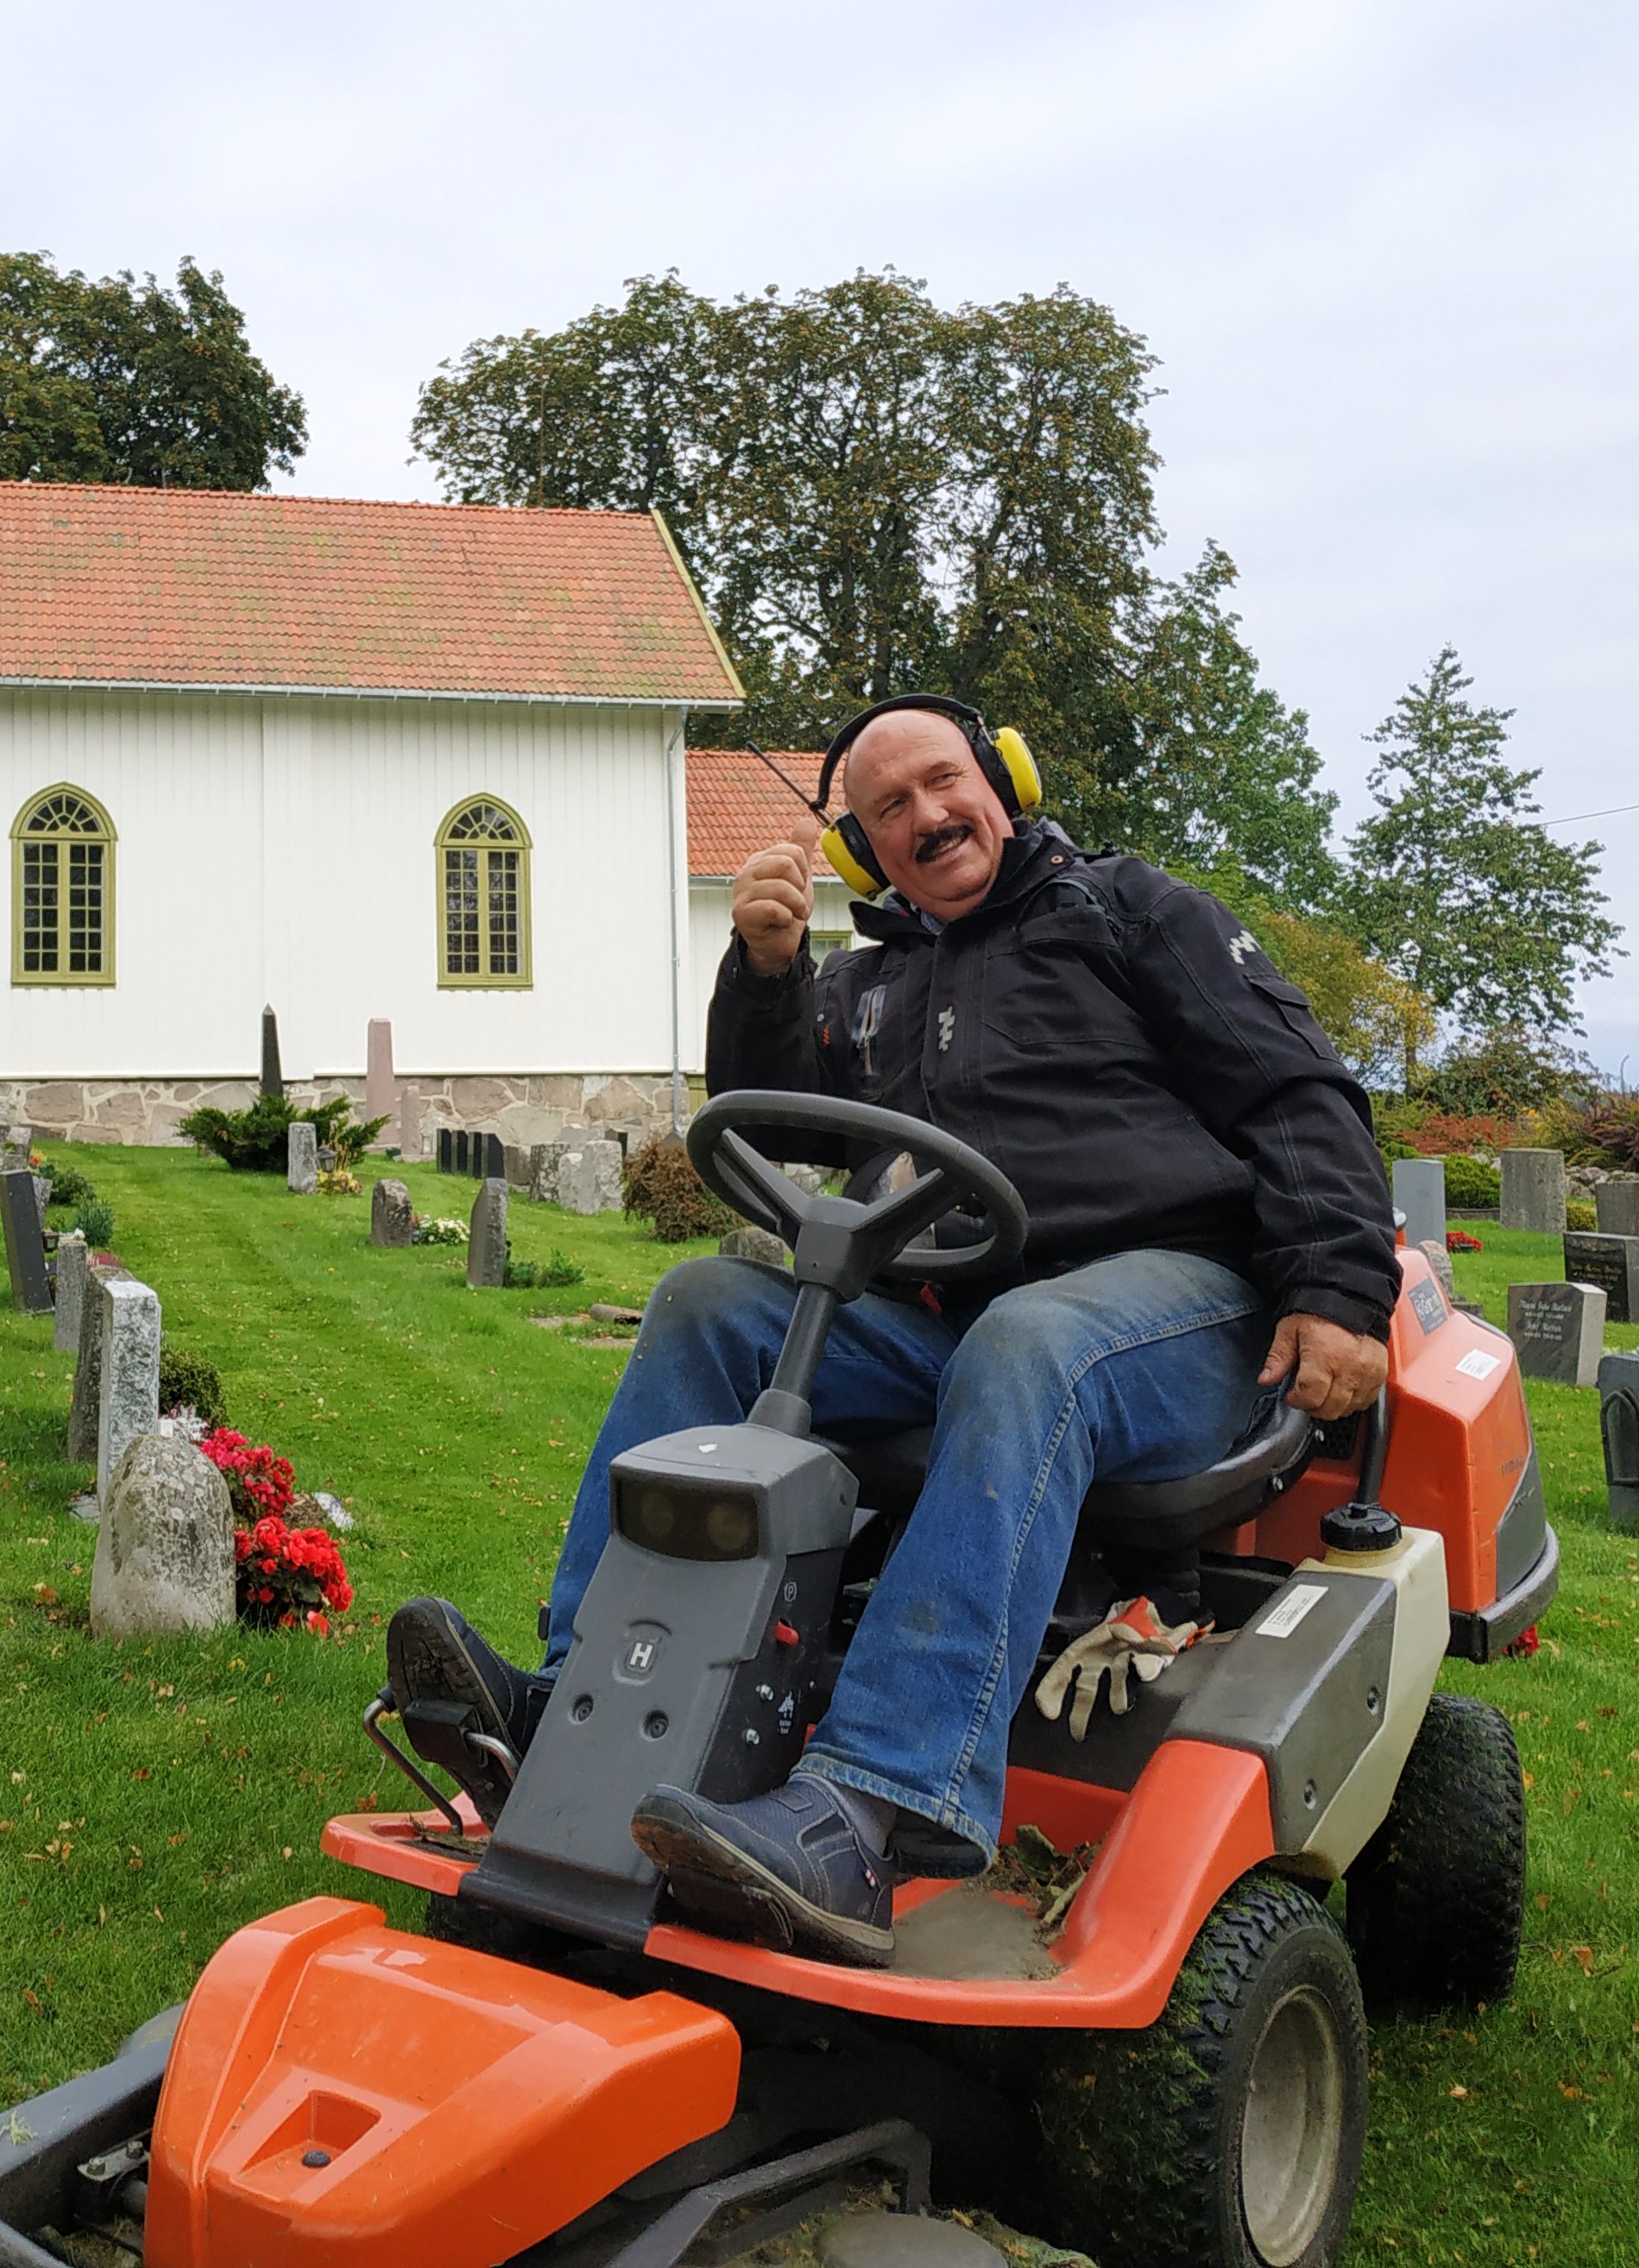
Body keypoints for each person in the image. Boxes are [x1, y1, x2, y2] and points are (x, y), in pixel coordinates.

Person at [387, 696, 1401, 1966]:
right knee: (710, 1302)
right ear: (863, 849)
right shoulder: (871, 979)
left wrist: (1339, 1290)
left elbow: (1296, 1088)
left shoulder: (1137, 915)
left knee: (1031, 1342)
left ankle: (874, 1803)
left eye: (943, 784)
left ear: (1004, 778)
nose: (926, 817)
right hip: (950, 1309)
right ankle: (570, 1703)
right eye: (889, 809)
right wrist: (763, 975)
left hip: (1183, 1310)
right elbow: (788, 1126)